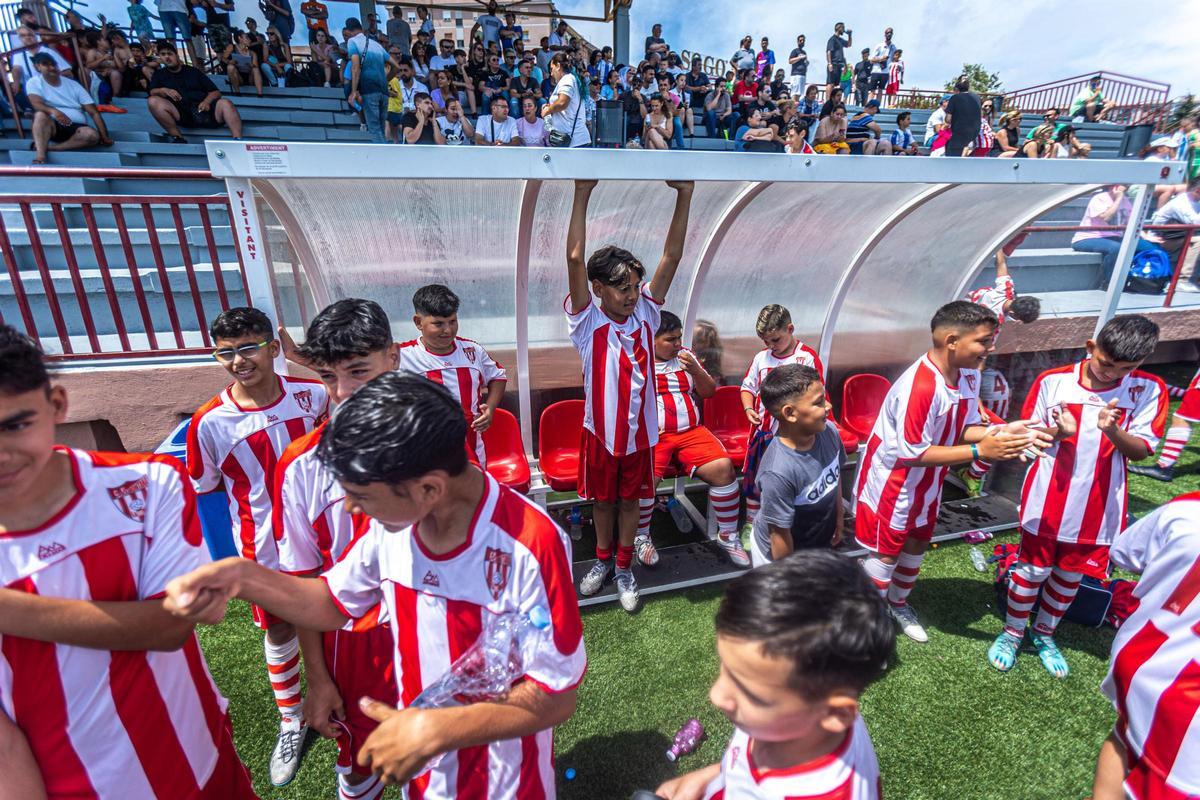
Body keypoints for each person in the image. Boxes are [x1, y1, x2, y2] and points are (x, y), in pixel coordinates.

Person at [166, 371, 586, 796]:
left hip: (507, 782)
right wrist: (243, 576)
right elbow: (331, 601)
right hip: (422, 770)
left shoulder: (531, 546)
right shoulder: (394, 525)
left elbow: (555, 694)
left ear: (428, 489)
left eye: (361, 496)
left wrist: (437, 729)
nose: (350, 506)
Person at [0, 325, 259, 798]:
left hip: (201, 761)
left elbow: (168, 627)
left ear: (56, 404)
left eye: (15, 424)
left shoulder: (144, 484)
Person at [184, 307, 328, 786]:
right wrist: (228, 566)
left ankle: (337, 696)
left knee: (342, 614)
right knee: (282, 628)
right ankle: (291, 720)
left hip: (326, 534)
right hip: (264, 549)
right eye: (225, 353)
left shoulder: (312, 395)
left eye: (247, 347)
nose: (237, 360)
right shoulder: (209, 422)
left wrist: (307, 360)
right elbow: (206, 497)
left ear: (272, 347)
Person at [856, 301, 1049, 643]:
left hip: (929, 479)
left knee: (917, 542)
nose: (991, 348)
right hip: (895, 483)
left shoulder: (970, 374)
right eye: (984, 341)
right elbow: (912, 452)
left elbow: (965, 428)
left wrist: (1001, 433)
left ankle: (897, 603)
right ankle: (868, 615)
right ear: (951, 341)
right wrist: (980, 451)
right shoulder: (922, 387)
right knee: (887, 551)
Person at [989, 315, 1167, 678]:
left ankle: (1044, 633)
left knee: (1069, 577)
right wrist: (1057, 431)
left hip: (1100, 507)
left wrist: (1113, 430)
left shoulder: (1149, 389)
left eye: (1124, 368)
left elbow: (1142, 451)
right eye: (1105, 363)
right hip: (1047, 499)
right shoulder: (1052, 381)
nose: (1111, 374)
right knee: (1032, 570)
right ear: (1091, 348)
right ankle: (1012, 631)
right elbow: (1030, 436)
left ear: (1140, 364)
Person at [272, 300, 399, 800]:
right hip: (355, 643)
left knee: (441, 757)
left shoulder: (439, 438)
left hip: (435, 628)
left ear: (393, 357)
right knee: (361, 762)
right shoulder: (301, 465)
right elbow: (302, 584)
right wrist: (319, 679)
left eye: (358, 372)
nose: (343, 392)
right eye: (328, 378)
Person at [654, 551, 891, 800]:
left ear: (835, 714)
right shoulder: (796, 716)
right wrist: (709, 777)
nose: (716, 695)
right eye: (725, 667)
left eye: (749, 693)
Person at [567, 179, 693, 612]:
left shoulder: (646, 313)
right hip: (599, 435)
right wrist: (582, 192)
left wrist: (685, 194)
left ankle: (624, 568)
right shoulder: (586, 322)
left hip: (640, 436)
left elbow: (672, 256)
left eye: (636, 287)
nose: (632, 296)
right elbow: (574, 256)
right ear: (598, 288)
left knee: (628, 504)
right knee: (602, 502)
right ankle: (602, 562)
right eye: (622, 289)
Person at [1091, 492, 1200, 800]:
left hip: (1144, 661)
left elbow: (1125, 554)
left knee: (1124, 736)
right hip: (1189, 704)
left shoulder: (1188, 507)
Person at [638, 311, 748, 567]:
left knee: (723, 468)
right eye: (670, 339)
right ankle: (641, 536)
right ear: (651, 339)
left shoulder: (686, 357)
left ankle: (728, 536)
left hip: (691, 432)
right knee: (644, 483)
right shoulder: (638, 360)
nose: (677, 344)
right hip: (654, 437)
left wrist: (697, 370)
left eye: (678, 337)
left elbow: (708, 392)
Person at [739, 305, 825, 539]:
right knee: (757, 479)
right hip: (763, 433)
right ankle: (751, 525)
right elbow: (747, 388)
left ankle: (789, 525)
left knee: (791, 481)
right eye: (766, 341)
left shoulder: (805, 357)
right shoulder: (761, 358)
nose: (771, 346)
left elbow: (817, 394)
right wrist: (748, 408)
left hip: (793, 436)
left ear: (790, 328)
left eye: (775, 340)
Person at [749, 364, 845, 566]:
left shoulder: (829, 432)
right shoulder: (778, 473)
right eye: (818, 402)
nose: (828, 406)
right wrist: (792, 581)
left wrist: (839, 517)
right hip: (781, 559)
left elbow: (835, 478)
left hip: (815, 545)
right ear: (790, 413)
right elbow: (779, 537)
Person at [25, 53, 112, 166]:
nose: (51, 68)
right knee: (40, 115)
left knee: (91, 135)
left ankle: (52, 149)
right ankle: (40, 155)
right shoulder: (34, 82)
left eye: (54, 65)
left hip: (76, 127)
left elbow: (93, 112)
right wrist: (55, 111)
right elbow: (36, 104)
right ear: (37, 67)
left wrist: (104, 136)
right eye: (46, 65)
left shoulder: (73, 85)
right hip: (52, 125)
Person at [147, 41, 242, 142]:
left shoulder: (193, 71)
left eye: (170, 54)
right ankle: (177, 137)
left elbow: (215, 92)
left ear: (176, 55)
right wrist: (164, 90)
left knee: (226, 103)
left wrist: (206, 102)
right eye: (163, 54)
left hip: (206, 111)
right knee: (153, 101)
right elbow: (152, 92)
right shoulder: (159, 74)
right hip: (182, 113)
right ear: (160, 58)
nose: (167, 57)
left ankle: (238, 140)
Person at [1070, 185, 1161, 285]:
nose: (1126, 187)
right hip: (1089, 237)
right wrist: (1118, 199)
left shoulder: (1125, 201)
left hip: (1114, 237)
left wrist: (1146, 236)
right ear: (1114, 187)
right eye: (1123, 185)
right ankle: (1109, 283)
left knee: (1149, 246)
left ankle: (1144, 279)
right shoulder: (1099, 198)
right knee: (1116, 249)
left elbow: (1132, 223)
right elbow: (1106, 217)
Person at [347, 16, 394, 144]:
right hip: (383, 91)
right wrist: (386, 79)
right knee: (381, 127)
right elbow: (396, 66)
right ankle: (385, 157)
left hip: (369, 90)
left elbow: (355, 67)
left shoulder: (352, 42)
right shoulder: (376, 45)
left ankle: (382, 160)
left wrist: (354, 91)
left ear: (348, 31)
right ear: (361, 29)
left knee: (374, 129)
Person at [541, 52, 589, 147]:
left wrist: (547, 110)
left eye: (552, 69)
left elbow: (562, 102)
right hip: (572, 140)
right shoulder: (572, 79)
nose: (551, 73)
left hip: (574, 141)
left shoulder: (567, 79)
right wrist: (551, 107)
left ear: (558, 66)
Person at [387, 56, 427, 143]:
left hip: (416, 116)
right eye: (400, 71)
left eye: (405, 70)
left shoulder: (422, 88)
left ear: (412, 71)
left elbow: (427, 106)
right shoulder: (394, 86)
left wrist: (412, 110)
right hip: (399, 116)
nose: (403, 73)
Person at [944, 76, 981, 157]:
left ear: (957, 88)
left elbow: (948, 119)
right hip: (974, 135)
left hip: (959, 134)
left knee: (952, 156)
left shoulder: (955, 98)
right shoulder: (977, 97)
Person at [225, 29, 264, 97]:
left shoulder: (252, 53)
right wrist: (229, 61)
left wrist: (251, 65)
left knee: (255, 69)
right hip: (238, 77)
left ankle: (260, 94)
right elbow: (223, 58)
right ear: (240, 38)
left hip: (249, 77)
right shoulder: (232, 47)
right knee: (230, 67)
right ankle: (238, 93)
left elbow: (255, 67)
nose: (250, 40)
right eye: (246, 37)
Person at [825, 22, 851, 100]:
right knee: (830, 83)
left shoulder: (840, 40)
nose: (843, 30)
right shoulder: (832, 39)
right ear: (838, 28)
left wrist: (850, 35)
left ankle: (832, 100)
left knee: (835, 84)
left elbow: (849, 44)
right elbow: (829, 51)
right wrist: (829, 63)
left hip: (839, 65)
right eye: (843, 28)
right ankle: (827, 101)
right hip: (833, 63)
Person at [869, 27, 895, 104]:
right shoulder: (879, 46)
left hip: (885, 72)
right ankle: (869, 106)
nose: (889, 34)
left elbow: (894, 59)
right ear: (885, 34)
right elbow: (871, 60)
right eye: (887, 32)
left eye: (890, 32)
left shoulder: (893, 47)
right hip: (876, 71)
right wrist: (881, 59)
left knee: (881, 90)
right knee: (873, 90)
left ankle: (877, 106)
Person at [786, 34, 808, 99]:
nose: (802, 42)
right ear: (798, 42)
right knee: (795, 94)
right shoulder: (795, 51)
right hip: (796, 75)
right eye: (800, 40)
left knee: (800, 95)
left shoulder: (804, 52)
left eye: (803, 40)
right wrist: (799, 57)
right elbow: (790, 61)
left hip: (803, 75)